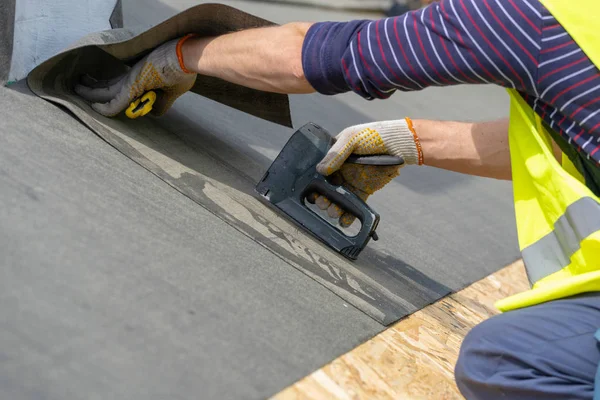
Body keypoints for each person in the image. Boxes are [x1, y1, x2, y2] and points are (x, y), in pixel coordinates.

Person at [75, 0, 600, 398]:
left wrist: (179, 55)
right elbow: (569, 137)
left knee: (509, 361)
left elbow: (319, 56)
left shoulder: (535, 19)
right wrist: (410, 141)